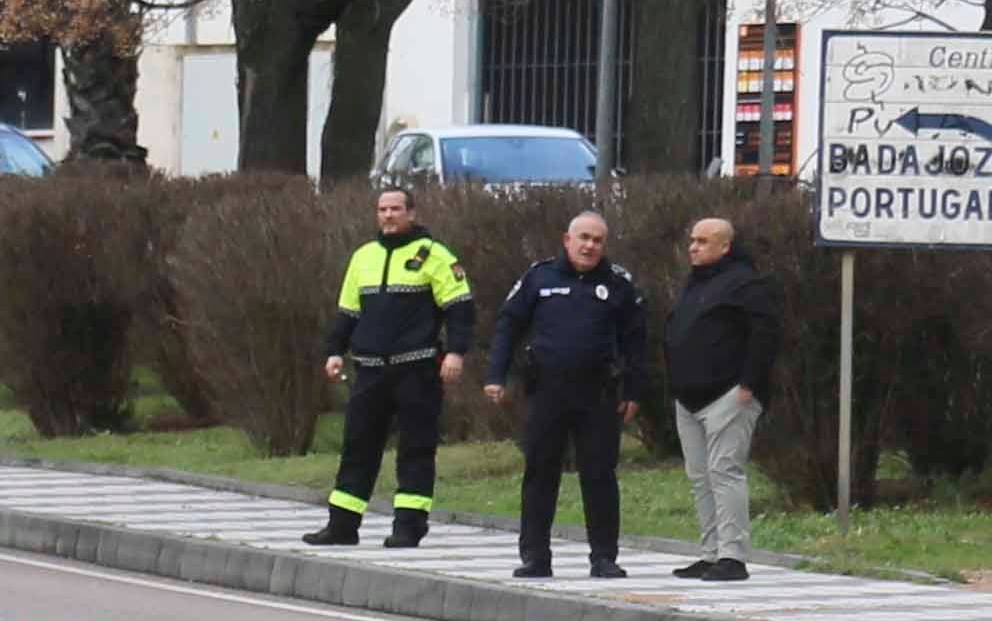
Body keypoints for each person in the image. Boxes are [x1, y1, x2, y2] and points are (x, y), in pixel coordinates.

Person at [484, 211, 651, 580]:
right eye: (584, 238)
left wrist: (634, 390)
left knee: (599, 476)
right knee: (540, 473)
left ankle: (604, 557)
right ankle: (535, 557)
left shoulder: (618, 284)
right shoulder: (539, 277)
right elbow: (508, 326)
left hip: (599, 395)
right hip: (547, 392)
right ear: (567, 239)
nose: (590, 245)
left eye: (597, 240)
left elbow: (636, 342)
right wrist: (496, 375)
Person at [305, 182, 473, 549]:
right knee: (357, 448)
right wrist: (335, 351)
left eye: (396, 209)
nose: (388, 215)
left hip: (417, 370)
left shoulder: (435, 256)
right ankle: (342, 526)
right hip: (370, 371)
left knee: (416, 448)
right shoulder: (363, 256)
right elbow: (348, 312)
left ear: (411, 213)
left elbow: (460, 309)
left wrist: (456, 353)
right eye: (382, 209)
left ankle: (409, 527)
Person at [664, 216, 782, 583]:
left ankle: (732, 556)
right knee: (700, 477)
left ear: (725, 246)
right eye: (692, 240)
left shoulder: (746, 283)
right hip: (688, 399)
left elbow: (765, 333)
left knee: (724, 472)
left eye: (702, 241)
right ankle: (710, 552)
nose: (693, 247)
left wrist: (749, 384)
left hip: (728, 396)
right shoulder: (695, 282)